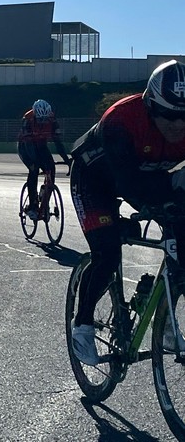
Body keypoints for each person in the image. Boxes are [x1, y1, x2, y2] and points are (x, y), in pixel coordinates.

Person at [70, 59, 185, 366]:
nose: (177, 126)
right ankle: (82, 325)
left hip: (146, 178)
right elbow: (132, 187)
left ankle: (166, 321)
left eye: (184, 117)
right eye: (168, 116)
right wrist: (173, 186)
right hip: (95, 180)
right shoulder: (122, 119)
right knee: (107, 253)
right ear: (150, 106)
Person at [17, 99, 71, 220]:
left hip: (41, 145)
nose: (42, 122)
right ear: (35, 114)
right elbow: (28, 145)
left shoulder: (52, 119)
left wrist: (66, 159)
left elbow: (58, 143)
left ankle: (44, 198)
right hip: (25, 147)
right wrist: (35, 162)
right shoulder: (28, 119)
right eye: (40, 119)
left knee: (51, 169)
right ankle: (32, 205)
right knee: (34, 169)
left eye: (45, 119)